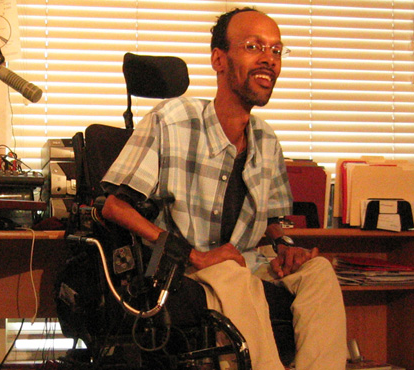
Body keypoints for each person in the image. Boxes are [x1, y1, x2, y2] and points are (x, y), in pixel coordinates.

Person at [100, 7, 347, 370]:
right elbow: (114, 208)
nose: (269, 59)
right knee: (231, 272)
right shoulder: (171, 122)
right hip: (184, 265)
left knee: (319, 273)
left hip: (242, 261)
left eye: (276, 50)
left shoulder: (267, 141)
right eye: (253, 46)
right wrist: (197, 256)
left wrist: (283, 246)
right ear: (219, 59)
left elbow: (270, 222)